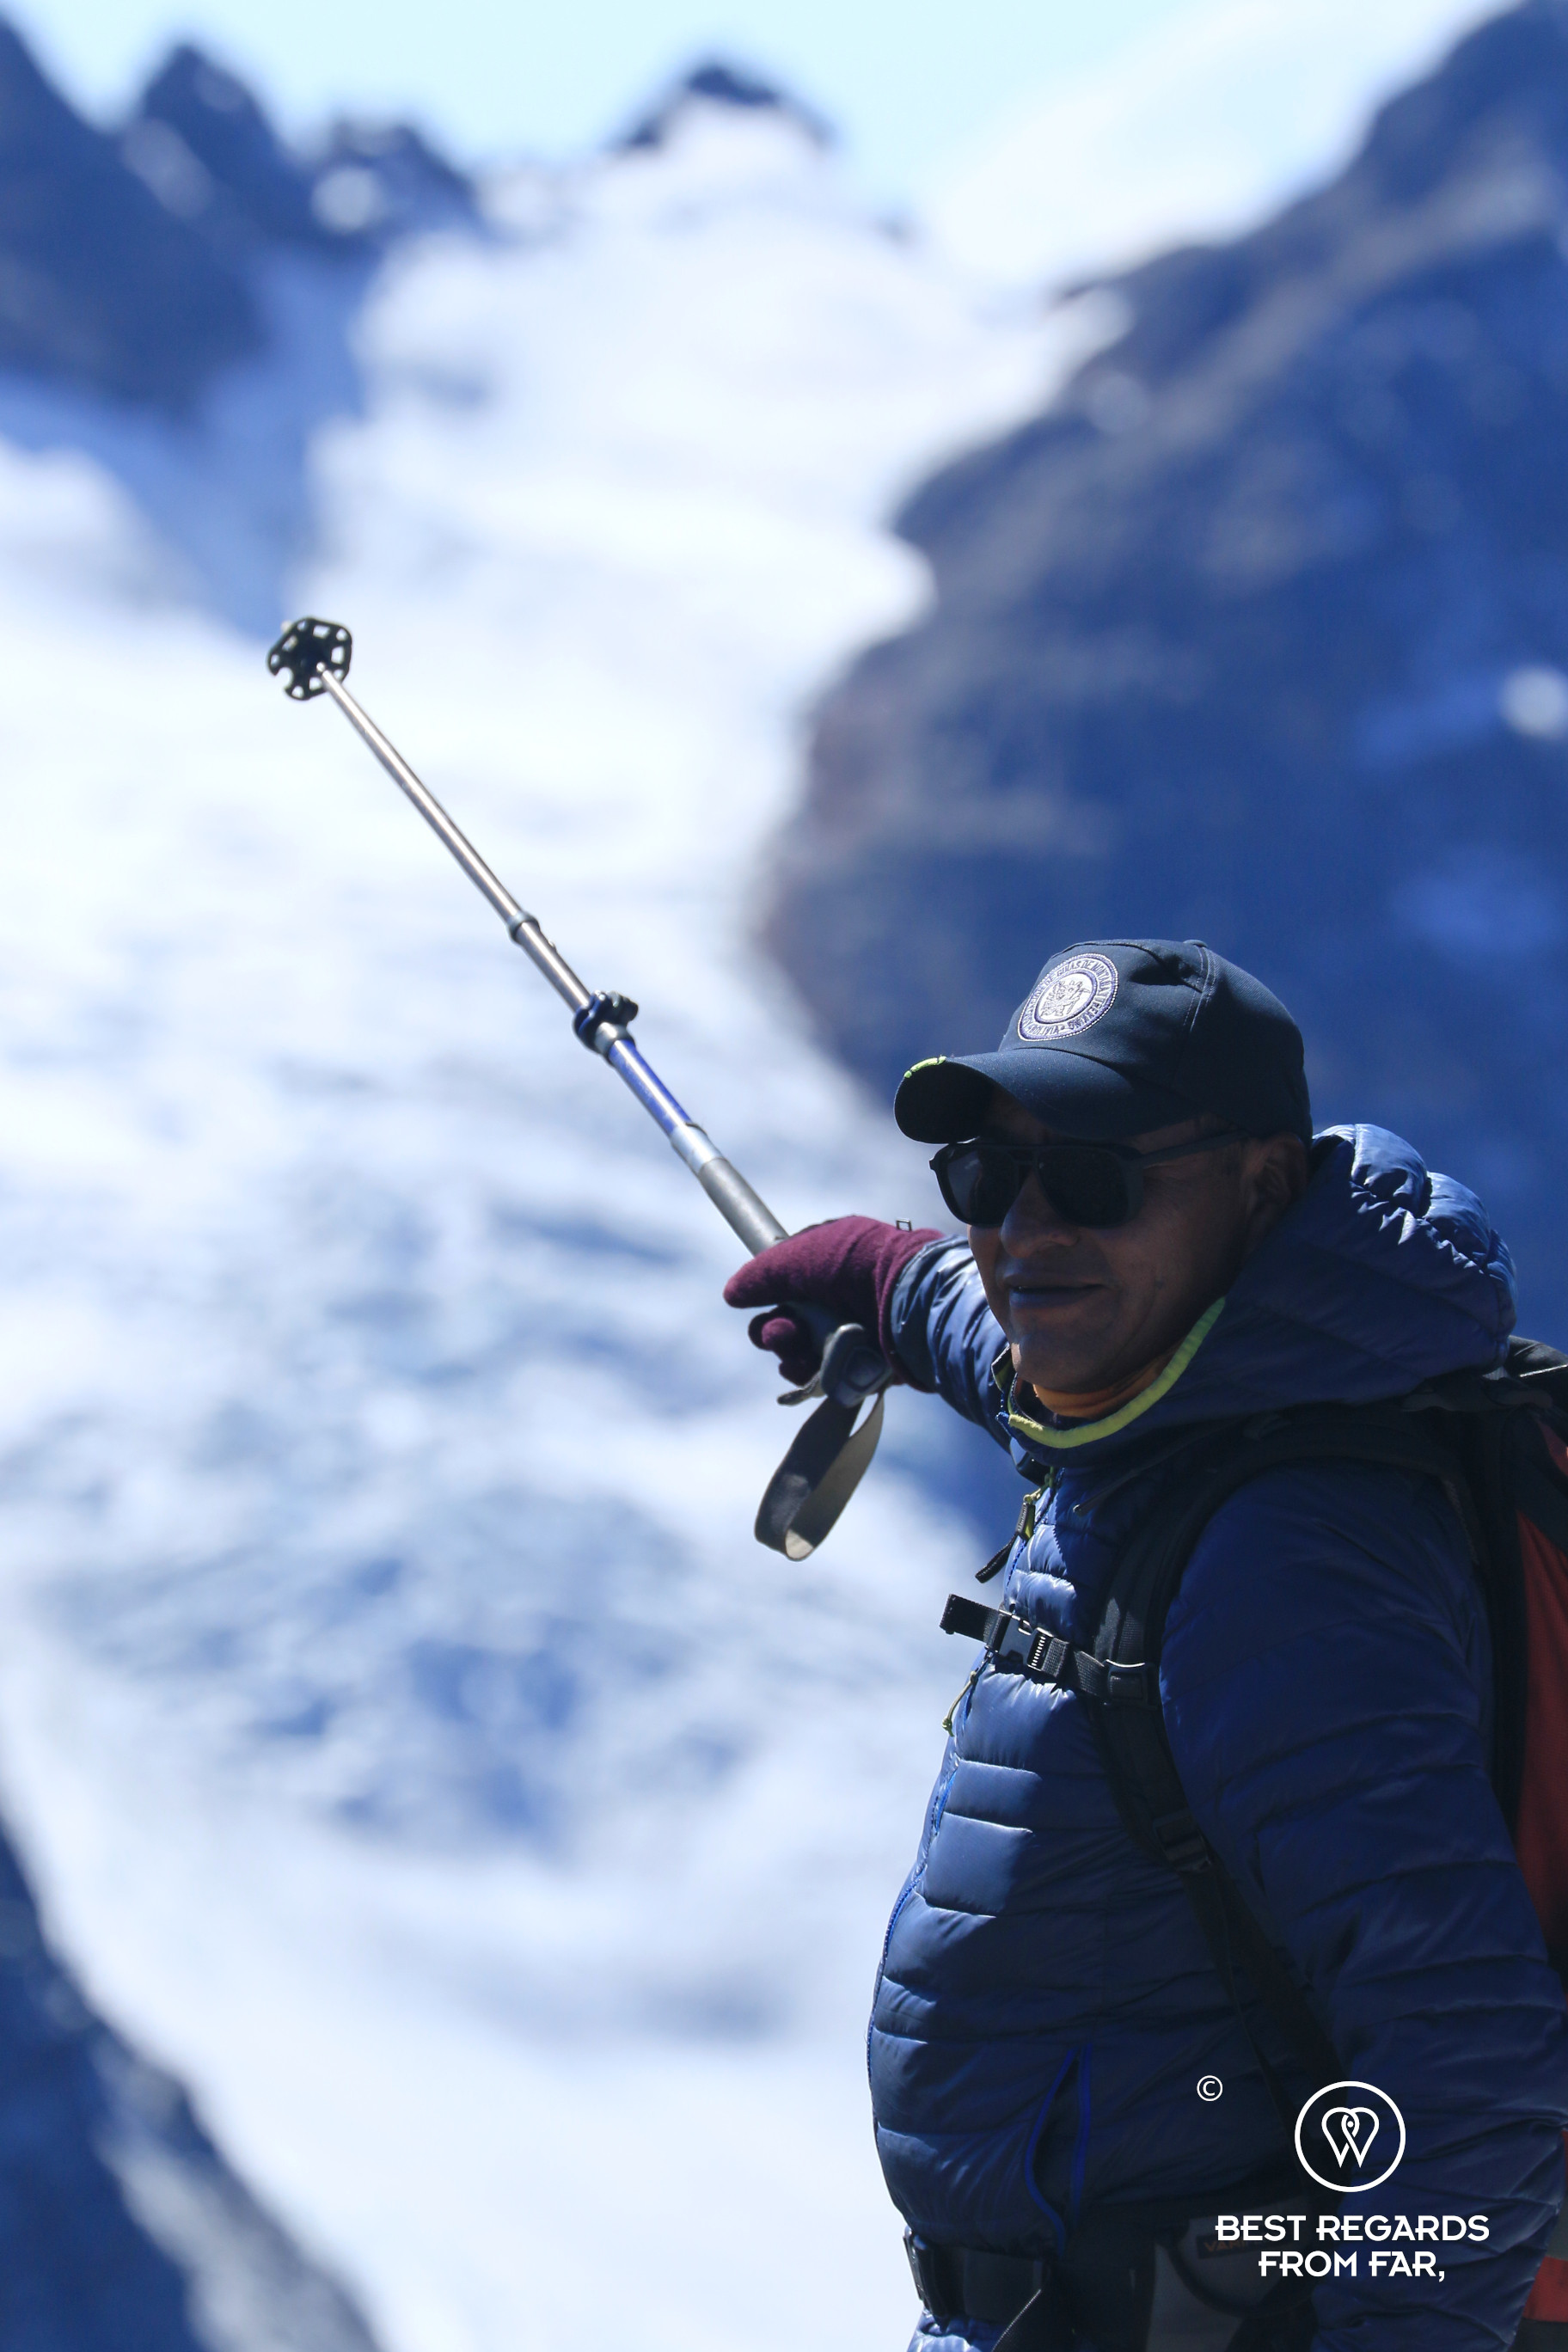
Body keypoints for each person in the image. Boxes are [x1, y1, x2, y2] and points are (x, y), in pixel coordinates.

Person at [725, 939, 1568, 2352]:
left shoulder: (1281, 1563)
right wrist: (887, 1277)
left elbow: (1467, 2064)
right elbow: (1023, 1341)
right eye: (988, 1177)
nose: (1028, 1231)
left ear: (1264, 1189)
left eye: (1099, 1178)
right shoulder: (1183, 1397)